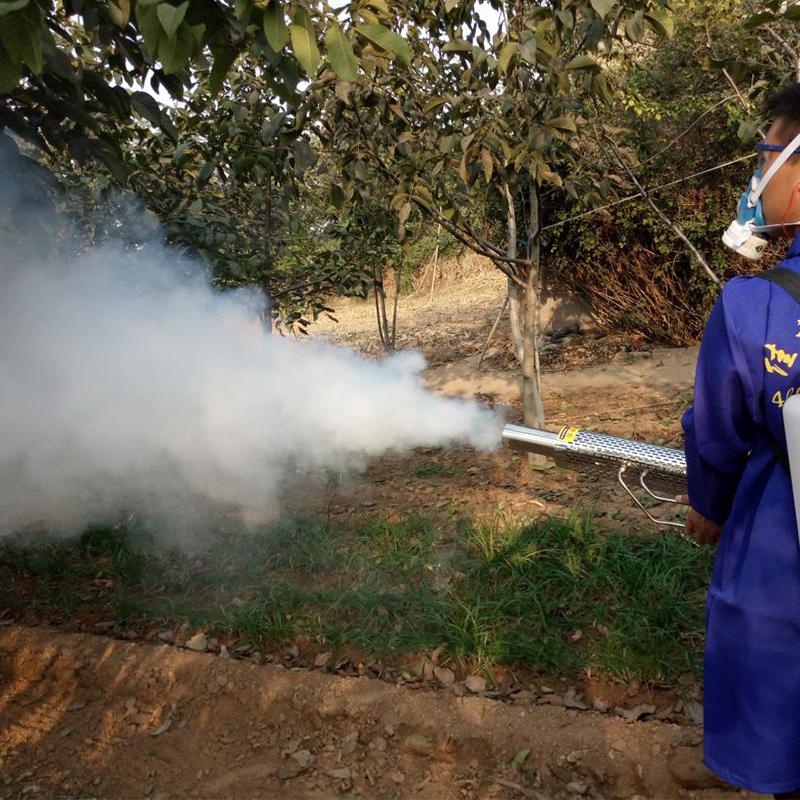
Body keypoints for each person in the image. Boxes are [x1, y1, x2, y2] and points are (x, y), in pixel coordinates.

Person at [682, 83, 800, 798]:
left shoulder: (755, 305)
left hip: (781, 566)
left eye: (766, 158)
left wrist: (709, 505)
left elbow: (717, 432)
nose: (756, 179)